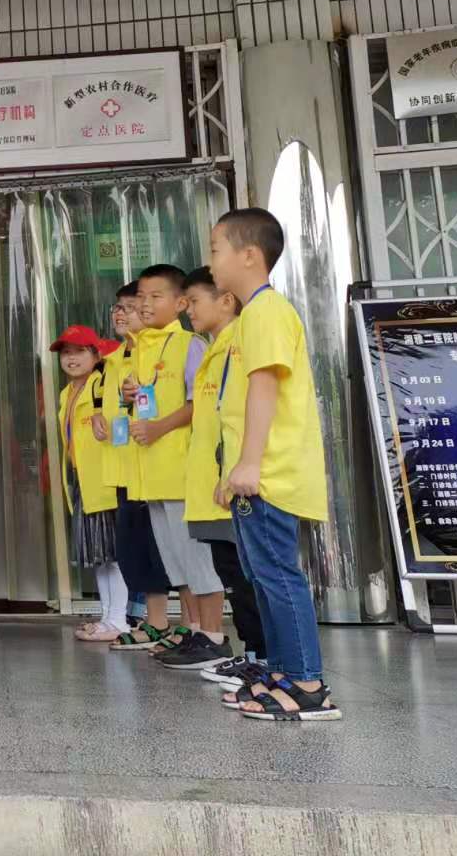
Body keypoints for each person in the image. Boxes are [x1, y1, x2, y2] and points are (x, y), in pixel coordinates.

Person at [210, 209, 341, 721]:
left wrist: (248, 464)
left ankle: (307, 684)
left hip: (269, 472)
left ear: (249, 255)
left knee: (278, 576)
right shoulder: (255, 315)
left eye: (216, 249)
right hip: (257, 471)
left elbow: (263, 387)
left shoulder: (265, 311)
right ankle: (283, 672)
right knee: (262, 576)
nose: (211, 261)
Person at [162, 267, 268, 681]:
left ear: (225, 301)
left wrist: (236, 470)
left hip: (235, 485)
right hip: (213, 486)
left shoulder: (239, 346)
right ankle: (253, 654)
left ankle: (265, 660)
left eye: (194, 301)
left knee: (247, 577)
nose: (187, 309)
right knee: (232, 575)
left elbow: (242, 418)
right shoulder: (214, 349)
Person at [124, 264, 227, 663]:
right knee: (175, 560)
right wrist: (133, 395)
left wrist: (158, 427)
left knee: (195, 557)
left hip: (181, 469)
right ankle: (193, 629)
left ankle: (213, 636)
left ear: (180, 302)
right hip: (152, 473)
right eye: (141, 297)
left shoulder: (189, 344)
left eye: (156, 296)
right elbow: (149, 401)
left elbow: (198, 402)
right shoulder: (141, 347)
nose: (145, 304)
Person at [98, 282, 175, 650]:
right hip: (124, 467)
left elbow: (158, 406)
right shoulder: (113, 359)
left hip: (152, 467)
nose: (121, 313)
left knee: (159, 547)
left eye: (129, 307)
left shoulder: (156, 356)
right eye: (117, 307)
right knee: (133, 549)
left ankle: (174, 623)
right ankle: (153, 622)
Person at [53, 326, 129, 643]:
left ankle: (119, 619)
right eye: (66, 353)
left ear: (96, 355)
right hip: (83, 480)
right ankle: (107, 616)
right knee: (98, 555)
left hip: (105, 480)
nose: (71, 359)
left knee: (113, 554)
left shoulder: (104, 384)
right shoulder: (67, 393)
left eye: (79, 351)